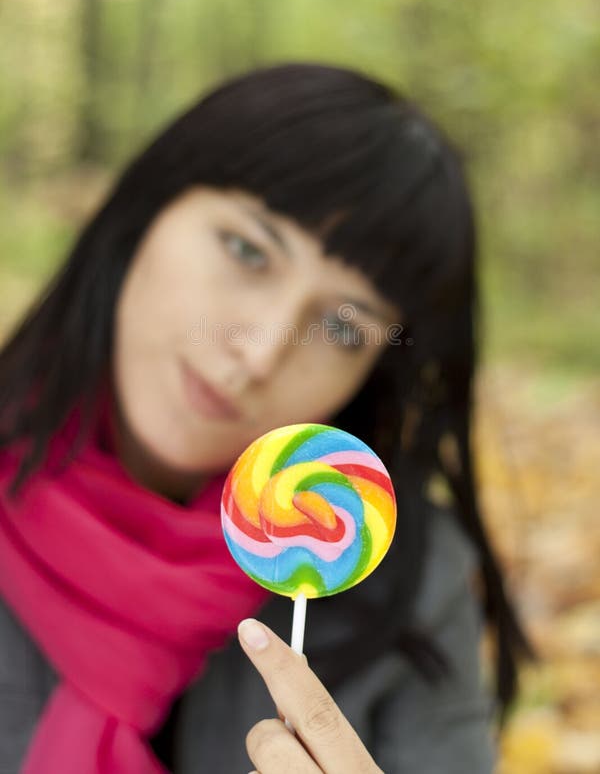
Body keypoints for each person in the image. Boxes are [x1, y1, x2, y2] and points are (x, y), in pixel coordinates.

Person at [0, 62, 535, 773]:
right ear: (142, 212)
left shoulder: (410, 583)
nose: (259, 352)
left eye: (344, 329)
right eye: (248, 250)